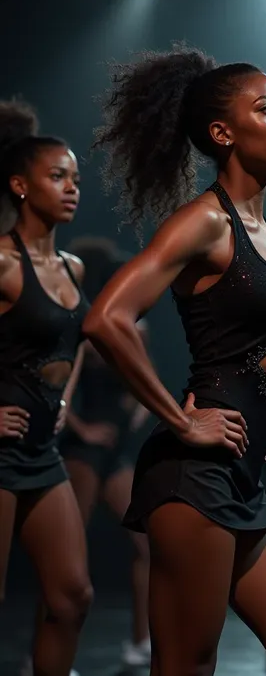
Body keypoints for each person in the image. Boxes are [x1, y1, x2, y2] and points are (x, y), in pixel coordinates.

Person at [84, 44, 266, 676]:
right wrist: (180, 420)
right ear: (222, 133)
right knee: (187, 664)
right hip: (194, 477)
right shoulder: (203, 222)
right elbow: (105, 320)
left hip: (244, 471)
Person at [0, 100, 92, 676]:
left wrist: (64, 399)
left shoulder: (74, 268)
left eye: (75, 178)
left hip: (42, 452)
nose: (71, 188)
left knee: (71, 595)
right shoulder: (3, 264)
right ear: (20, 185)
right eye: (57, 176)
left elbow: (76, 342)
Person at [60, 236, 151, 668]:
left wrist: (129, 418)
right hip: (82, 451)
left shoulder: (129, 324)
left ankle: (140, 642)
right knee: (67, 556)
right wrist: (83, 428)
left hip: (115, 452)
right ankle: (48, 658)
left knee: (146, 542)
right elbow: (60, 387)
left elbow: (141, 381)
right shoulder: (81, 325)